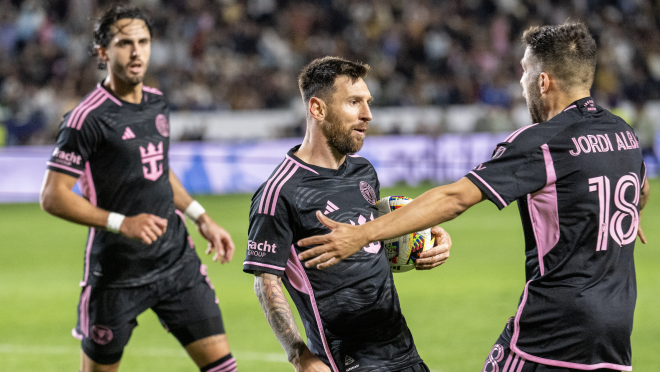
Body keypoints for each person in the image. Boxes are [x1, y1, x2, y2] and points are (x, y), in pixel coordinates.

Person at [297, 23, 650, 372]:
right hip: (617, 329)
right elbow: (641, 190)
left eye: (525, 72)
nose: (522, 82)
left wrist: (362, 234)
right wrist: (623, 216)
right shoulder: (624, 134)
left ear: (543, 82)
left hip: (553, 328)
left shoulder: (541, 142)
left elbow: (455, 198)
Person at [39, 7, 237, 372]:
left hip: (176, 262)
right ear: (103, 52)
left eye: (143, 42)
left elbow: (158, 169)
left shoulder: (156, 102)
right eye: (124, 43)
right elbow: (53, 196)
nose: (136, 52)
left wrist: (201, 217)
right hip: (118, 274)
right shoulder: (87, 118)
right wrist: (122, 222)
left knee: (223, 367)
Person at [243, 57, 452, 372]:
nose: (368, 114)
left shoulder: (363, 171)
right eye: (354, 102)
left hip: (403, 351)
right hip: (346, 361)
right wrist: (298, 354)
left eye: (368, 102)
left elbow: (373, 239)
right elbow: (266, 281)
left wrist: (426, 240)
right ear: (318, 109)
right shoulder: (280, 192)